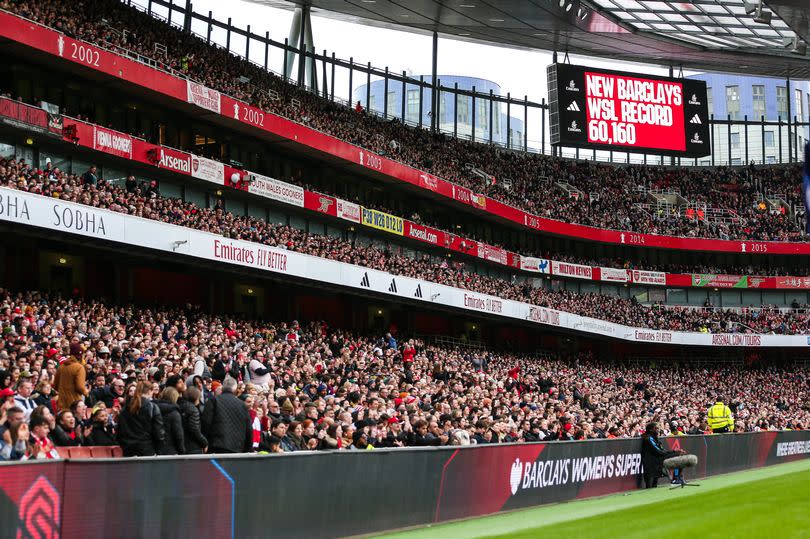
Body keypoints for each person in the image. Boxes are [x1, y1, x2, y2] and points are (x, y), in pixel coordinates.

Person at [201, 377, 252, 454]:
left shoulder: (213, 401)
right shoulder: (242, 405)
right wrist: (247, 449)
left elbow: (205, 423)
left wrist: (204, 443)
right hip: (237, 448)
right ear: (235, 388)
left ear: (222, 387)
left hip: (216, 447)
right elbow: (249, 429)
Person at [118, 380, 165, 456]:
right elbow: (158, 432)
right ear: (150, 391)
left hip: (129, 450)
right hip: (147, 450)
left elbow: (120, 432)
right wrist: (159, 450)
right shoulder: (152, 407)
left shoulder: (125, 408)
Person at [640, 422, 682, 488]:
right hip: (651, 463)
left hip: (656, 461)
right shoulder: (649, 438)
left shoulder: (654, 438)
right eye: (656, 428)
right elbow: (659, 451)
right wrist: (673, 451)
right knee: (649, 485)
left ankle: (676, 477)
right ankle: (675, 478)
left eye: (658, 428)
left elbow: (662, 450)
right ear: (651, 429)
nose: (658, 430)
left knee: (678, 455)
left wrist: (674, 451)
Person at [54, 344, 89, 411]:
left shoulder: (61, 367)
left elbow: (55, 386)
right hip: (75, 405)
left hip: (62, 404)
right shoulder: (79, 367)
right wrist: (86, 392)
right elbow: (80, 387)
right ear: (80, 356)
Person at [155, 387, 185, 455]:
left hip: (155, 449)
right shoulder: (174, 413)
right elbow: (178, 435)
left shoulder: (153, 408)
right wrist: (182, 451)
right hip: (171, 450)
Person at [178, 387, 208, 454]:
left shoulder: (178, 405)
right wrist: (204, 442)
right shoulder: (193, 410)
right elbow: (194, 429)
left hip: (181, 445)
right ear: (196, 398)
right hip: (193, 446)